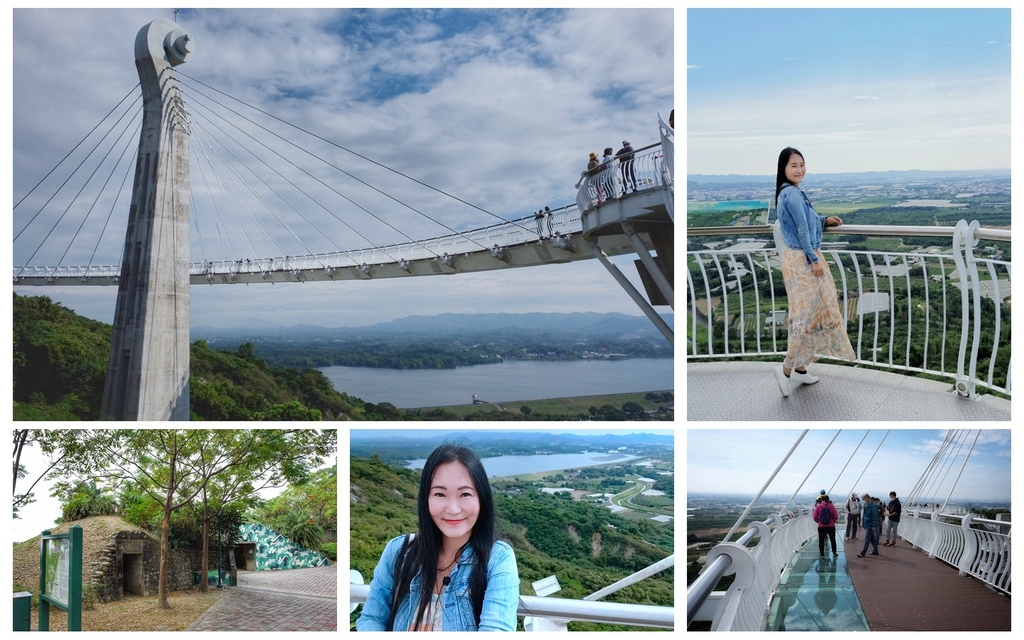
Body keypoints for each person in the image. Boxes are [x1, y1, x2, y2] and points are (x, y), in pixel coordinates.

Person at [356, 444, 520, 631]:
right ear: (426, 499)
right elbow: (371, 618)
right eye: (440, 494)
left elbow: (496, 630)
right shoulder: (398, 551)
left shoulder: (498, 559)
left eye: (465, 494)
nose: (453, 509)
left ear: (481, 498)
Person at [772, 147, 856, 397]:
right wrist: (813, 259)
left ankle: (799, 369)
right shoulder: (793, 194)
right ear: (784, 169)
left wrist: (823, 220)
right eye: (793, 166)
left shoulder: (789, 193)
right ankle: (786, 369)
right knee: (807, 316)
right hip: (803, 259)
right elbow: (801, 231)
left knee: (805, 314)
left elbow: (805, 222)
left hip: (796, 258)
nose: (799, 170)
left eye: (801, 164)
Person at [813, 494, 839, 558]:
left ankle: (822, 555)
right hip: (831, 526)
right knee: (832, 540)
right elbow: (835, 516)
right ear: (828, 500)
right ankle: (834, 553)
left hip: (821, 526)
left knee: (821, 540)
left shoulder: (818, 507)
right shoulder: (831, 506)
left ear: (822, 500)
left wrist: (819, 522)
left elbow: (815, 517)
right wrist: (832, 521)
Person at [857, 493, 880, 557]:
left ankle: (863, 553)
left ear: (867, 498)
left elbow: (875, 516)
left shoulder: (873, 505)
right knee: (872, 539)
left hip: (871, 524)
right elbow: (865, 515)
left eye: (864, 499)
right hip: (868, 523)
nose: (864, 501)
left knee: (867, 539)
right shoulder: (867, 504)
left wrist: (874, 525)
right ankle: (876, 551)